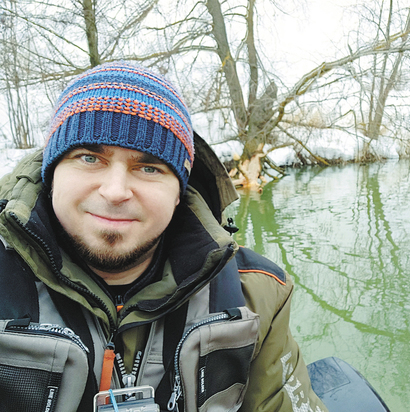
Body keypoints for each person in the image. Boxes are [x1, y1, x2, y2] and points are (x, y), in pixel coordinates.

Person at [0, 62, 327, 412]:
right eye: (89, 157)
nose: (115, 191)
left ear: (179, 191)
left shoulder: (259, 294)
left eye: (149, 167)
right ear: (52, 175)